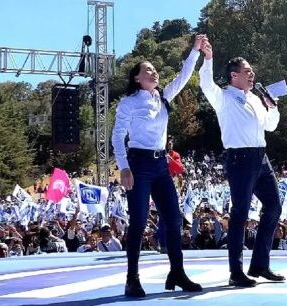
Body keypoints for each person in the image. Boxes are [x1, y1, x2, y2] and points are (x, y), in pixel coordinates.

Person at [111, 34, 206, 297]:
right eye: (147, 70)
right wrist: (124, 167)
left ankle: (177, 272)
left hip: (160, 164)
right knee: (139, 221)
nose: (154, 72)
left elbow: (184, 75)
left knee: (174, 218)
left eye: (154, 69)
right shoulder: (129, 103)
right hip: (138, 164)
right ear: (137, 78)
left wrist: (195, 49)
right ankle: (132, 278)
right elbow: (117, 136)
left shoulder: (162, 97)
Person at [199, 40, 284, 287]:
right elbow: (206, 83)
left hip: (261, 157)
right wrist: (208, 58)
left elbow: (270, 125)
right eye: (247, 71)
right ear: (234, 75)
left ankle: (260, 264)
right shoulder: (223, 97)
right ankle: (236, 271)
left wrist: (273, 107)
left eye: (251, 71)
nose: (252, 74)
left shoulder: (256, 99)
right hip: (240, 158)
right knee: (240, 214)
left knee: (274, 206)